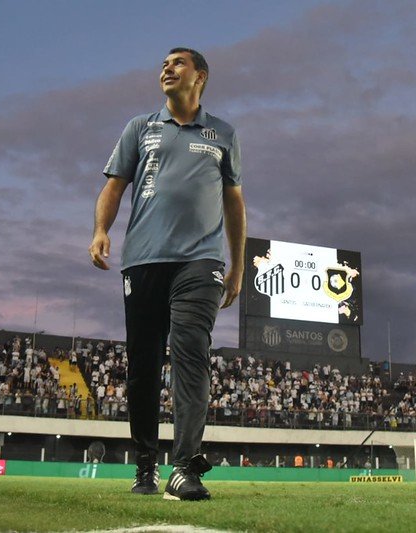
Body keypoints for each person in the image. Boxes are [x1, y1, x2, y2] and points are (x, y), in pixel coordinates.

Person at [90, 47, 246, 501]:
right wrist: (101, 229)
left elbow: (234, 203)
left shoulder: (223, 133)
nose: (166, 68)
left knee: (191, 352)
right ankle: (145, 465)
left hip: (200, 261)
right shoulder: (140, 128)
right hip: (143, 260)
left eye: (177, 63)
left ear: (200, 76)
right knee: (142, 367)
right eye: (163, 63)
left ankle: (183, 467)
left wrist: (237, 264)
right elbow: (113, 185)